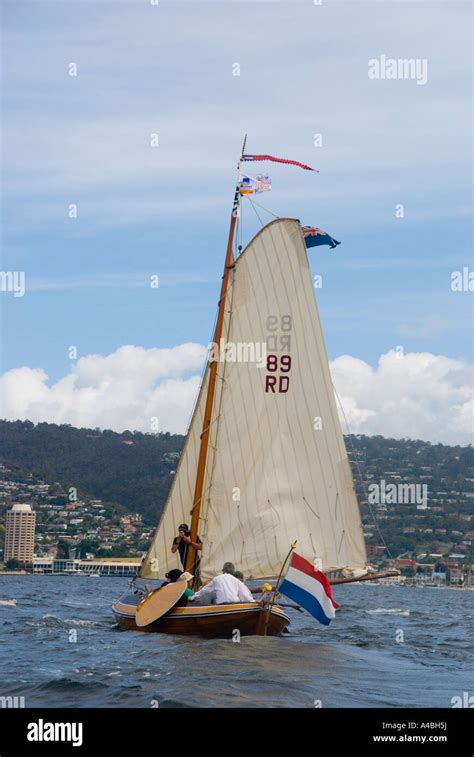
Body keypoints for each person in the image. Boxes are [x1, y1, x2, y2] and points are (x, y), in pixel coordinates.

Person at [188, 562, 256, 606]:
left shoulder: (217, 579)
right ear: (233, 572)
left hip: (222, 606)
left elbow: (204, 590)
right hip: (235, 605)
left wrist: (193, 597)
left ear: (223, 571)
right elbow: (245, 595)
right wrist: (254, 602)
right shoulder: (236, 581)